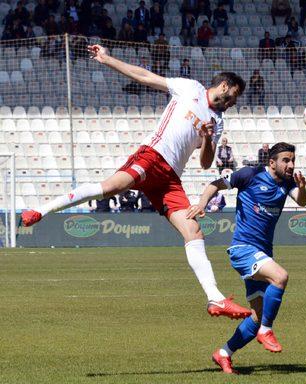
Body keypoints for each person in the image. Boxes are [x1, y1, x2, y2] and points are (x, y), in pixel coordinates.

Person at [20, 44, 251, 320]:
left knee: (194, 232)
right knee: (110, 188)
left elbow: (204, 162)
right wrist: (106, 59)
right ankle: (40, 211)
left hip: (170, 178)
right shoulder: (190, 88)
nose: (233, 103)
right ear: (224, 86)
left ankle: (215, 299)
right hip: (152, 156)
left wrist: (207, 137)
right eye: (234, 96)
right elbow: (144, 76)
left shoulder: (218, 121)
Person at [186, 142, 306, 374]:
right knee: (280, 277)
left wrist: (301, 188)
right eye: (286, 160)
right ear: (272, 162)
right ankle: (267, 329)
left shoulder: (288, 183)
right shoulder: (249, 174)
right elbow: (215, 184)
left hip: (263, 253)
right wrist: (202, 204)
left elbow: (302, 201)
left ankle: (223, 353)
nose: (291, 165)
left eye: (293, 160)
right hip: (243, 249)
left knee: (256, 316)